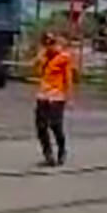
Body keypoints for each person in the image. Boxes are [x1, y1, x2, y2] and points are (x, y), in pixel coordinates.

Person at [34, 32, 73, 167]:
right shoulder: (44, 57)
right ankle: (48, 154)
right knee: (41, 126)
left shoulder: (64, 58)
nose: (49, 46)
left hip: (57, 96)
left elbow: (68, 78)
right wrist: (39, 60)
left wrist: (68, 96)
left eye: (52, 43)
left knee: (55, 125)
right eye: (46, 43)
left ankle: (62, 150)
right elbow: (36, 72)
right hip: (43, 94)